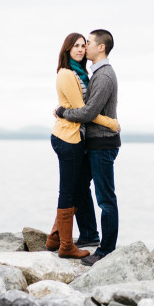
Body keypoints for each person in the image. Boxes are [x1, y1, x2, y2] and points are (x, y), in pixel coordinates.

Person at [48, 33, 120, 259]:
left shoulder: (104, 76)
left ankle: (105, 249)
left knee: (105, 198)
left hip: (103, 143)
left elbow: (88, 113)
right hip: (89, 141)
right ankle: (86, 234)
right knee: (78, 188)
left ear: (100, 48)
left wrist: (62, 112)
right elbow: (86, 109)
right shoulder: (86, 74)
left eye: (86, 44)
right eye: (79, 45)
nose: (83, 48)